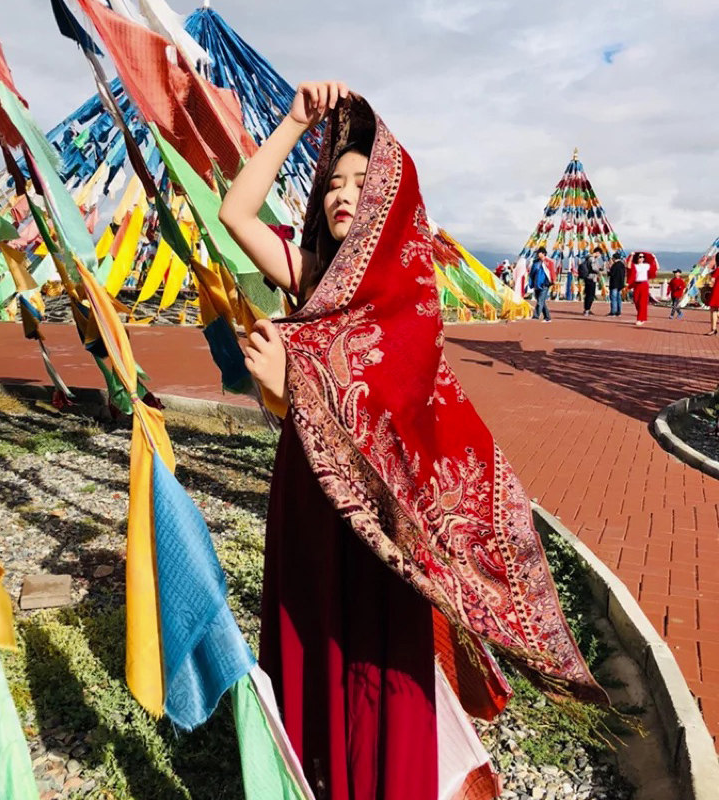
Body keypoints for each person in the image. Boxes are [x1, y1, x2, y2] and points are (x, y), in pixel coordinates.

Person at [219, 81, 603, 800]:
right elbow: (235, 211)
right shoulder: (315, 278)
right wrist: (294, 124)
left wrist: (295, 379)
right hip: (305, 500)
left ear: (391, 196)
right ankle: (319, 776)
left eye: (363, 182)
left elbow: (395, 419)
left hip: (375, 526)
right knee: (311, 641)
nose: (342, 193)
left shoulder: (407, 303)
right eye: (333, 182)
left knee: (373, 661)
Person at [628, 251, 656, 326]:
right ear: (637, 258)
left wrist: (654, 258)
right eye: (640, 257)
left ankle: (640, 318)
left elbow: (656, 267)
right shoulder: (635, 266)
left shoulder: (646, 265)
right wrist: (631, 256)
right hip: (637, 285)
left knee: (642, 302)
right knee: (636, 301)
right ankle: (642, 316)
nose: (642, 258)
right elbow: (628, 266)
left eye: (643, 257)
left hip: (644, 284)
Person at [528, 246, 554, 321]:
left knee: (540, 301)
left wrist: (552, 280)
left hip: (544, 284)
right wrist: (531, 283)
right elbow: (532, 273)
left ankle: (536, 316)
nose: (537, 254)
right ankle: (547, 317)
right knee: (541, 301)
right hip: (536, 284)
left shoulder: (548, 262)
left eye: (538, 253)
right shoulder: (535, 262)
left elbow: (552, 272)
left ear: (543, 253)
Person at [579, 247, 603, 315]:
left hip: (588, 278)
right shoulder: (592, 259)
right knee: (590, 295)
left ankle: (587, 309)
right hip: (591, 278)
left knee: (588, 294)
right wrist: (599, 269)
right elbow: (594, 268)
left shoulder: (588, 258)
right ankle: (587, 309)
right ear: (597, 252)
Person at [706, 253, 719, 335]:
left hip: (716, 291)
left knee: (713, 310)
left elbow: (712, 281)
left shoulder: (717, 270)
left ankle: (713, 328)